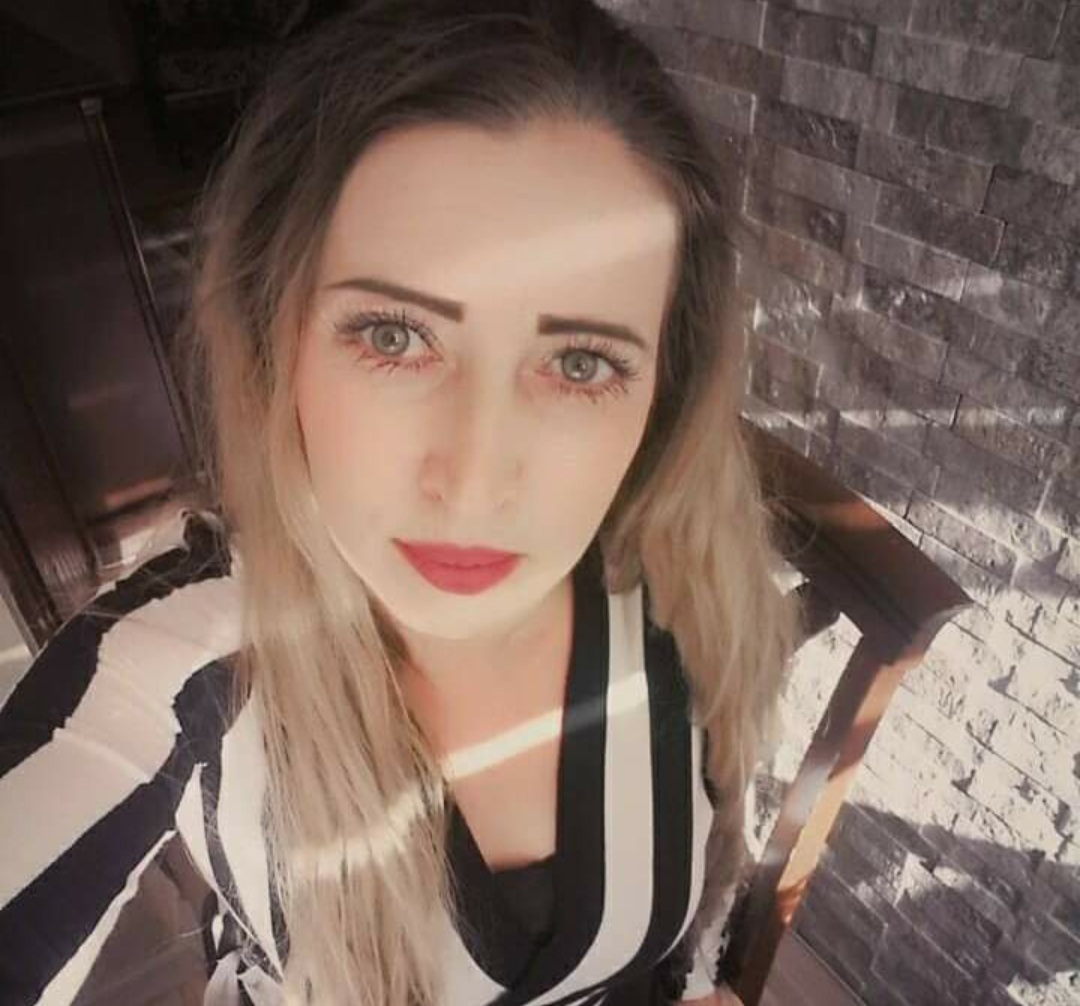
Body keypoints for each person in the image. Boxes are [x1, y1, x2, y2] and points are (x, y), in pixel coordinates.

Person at [0, 2, 804, 1005]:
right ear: (275, 335)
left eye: (580, 361)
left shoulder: (684, 579)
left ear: (662, 394)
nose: (472, 482)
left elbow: (695, 913)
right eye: (393, 337)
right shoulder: (179, 658)